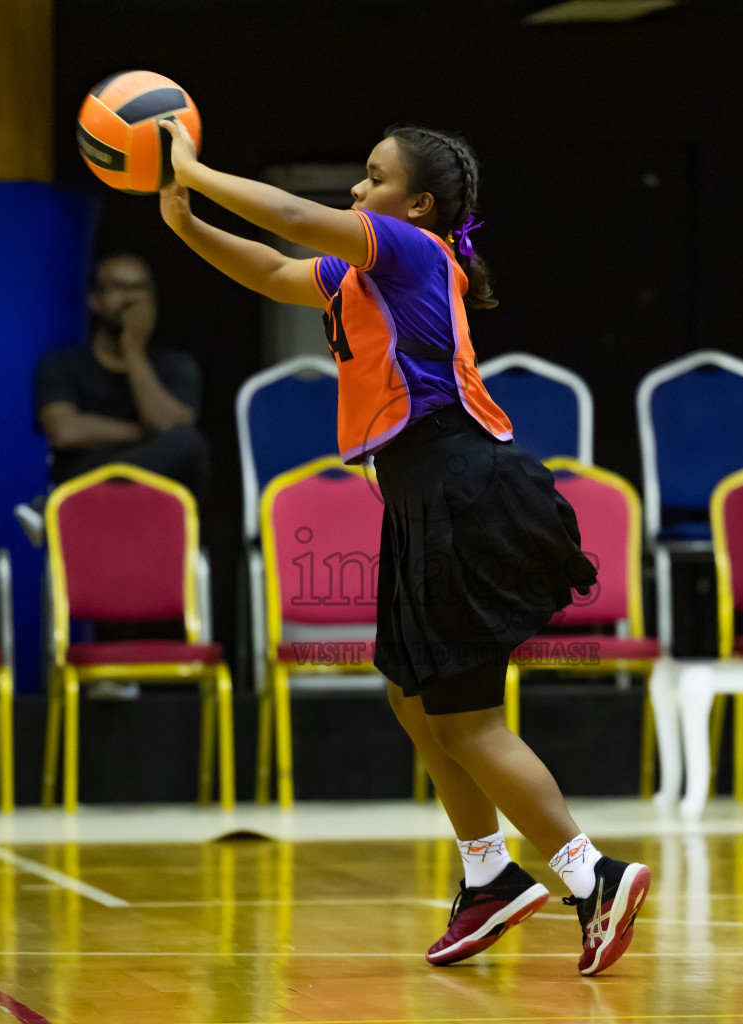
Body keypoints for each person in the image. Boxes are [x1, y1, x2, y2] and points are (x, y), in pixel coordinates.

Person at [155, 118, 650, 975]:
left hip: (463, 487)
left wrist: (195, 171)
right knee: (414, 698)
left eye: (372, 177)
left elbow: (289, 218)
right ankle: (489, 877)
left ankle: (591, 876)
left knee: (469, 718)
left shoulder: (414, 251)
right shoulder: (362, 275)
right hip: (428, 495)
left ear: (414, 204)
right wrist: (187, 225)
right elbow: (275, 270)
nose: (357, 189)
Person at [29, 252, 211, 505]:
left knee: (188, 444)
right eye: (118, 287)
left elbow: (171, 431)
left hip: (157, 491)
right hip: (85, 484)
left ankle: (45, 511)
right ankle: (57, 510)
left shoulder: (177, 366)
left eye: (140, 288)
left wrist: (133, 352)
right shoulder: (60, 364)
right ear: (95, 299)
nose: (130, 297)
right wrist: (143, 434)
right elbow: (65, 431)